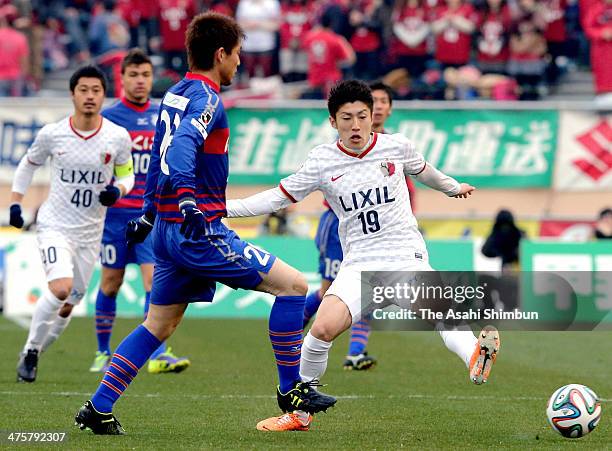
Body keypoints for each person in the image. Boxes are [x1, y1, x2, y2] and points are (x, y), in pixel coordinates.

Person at [74, 12, 336, 436]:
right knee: (293, 287)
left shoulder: (174, 94)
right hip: (199, 230)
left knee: (159, 324)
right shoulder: (208, 99)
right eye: (236, 55)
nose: (238, 64)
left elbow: (158, 154)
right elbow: (179, 150)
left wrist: (148, 213)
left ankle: (98, 407)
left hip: (166, 231)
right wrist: (190, 201)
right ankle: (291, 392)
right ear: (220, 54)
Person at [226, 80, 501, 432]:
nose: (355, 126)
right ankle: (299, 414)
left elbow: (425, 170)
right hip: (358, 264)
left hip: (405, 255)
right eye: (346, 118)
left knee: (440, 312)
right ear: (332, 121)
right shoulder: (322, 161)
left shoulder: (396, 147)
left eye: (362, 116)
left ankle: (475, 356)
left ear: (374, 116)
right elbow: (277, 198)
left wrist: (452, 187)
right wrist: (223, 208)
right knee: (321, 330)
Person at [12, 65, 135, 383]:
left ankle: (37, 350)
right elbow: (27, 165)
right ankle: (31, 350)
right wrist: (15, 202)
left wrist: (117, 190)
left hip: (90, 233)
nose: (90, 96)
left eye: (96, 90)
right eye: (84, 90)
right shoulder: (53, 134)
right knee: (60, 288)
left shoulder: (117, 137)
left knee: (71, 302)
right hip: (55, 225)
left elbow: (128, 174)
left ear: (104, 95)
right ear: (73, 94)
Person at [302, 82, 417, 371]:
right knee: (329, 291)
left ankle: (355, 352)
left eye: (382, 101)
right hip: (340, 227)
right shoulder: (341, 144)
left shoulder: (393, 144)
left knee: (370, 292)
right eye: (373, 101)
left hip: (382, 236)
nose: (378, 106)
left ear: (389, 109)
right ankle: (294, 333)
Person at [90, 48, 190, 375]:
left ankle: (159, 354)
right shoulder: (109, 119)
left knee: (154, 282)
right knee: (110, 283)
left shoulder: (164, 115)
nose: (140, 81)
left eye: (145, 75)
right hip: (116, 216)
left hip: (150, 215)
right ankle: (103, 352)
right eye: (133, 75)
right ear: (122, 79)